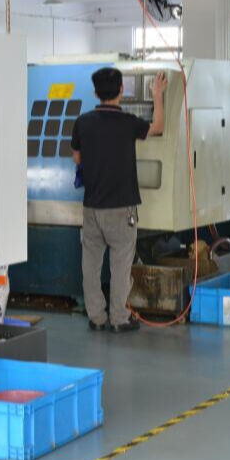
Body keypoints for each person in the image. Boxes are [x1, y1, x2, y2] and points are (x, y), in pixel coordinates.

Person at [70, 67, 166, 333]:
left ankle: (97, 318)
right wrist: (157, 95)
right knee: (121, 264)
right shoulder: (128, 123)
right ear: (122, 90)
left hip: (92, 207)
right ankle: (119, 318)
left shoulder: (83, 122)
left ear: (95, 93)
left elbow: (77, 157)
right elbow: (158, 127)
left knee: (91, 265)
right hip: (121, 208)